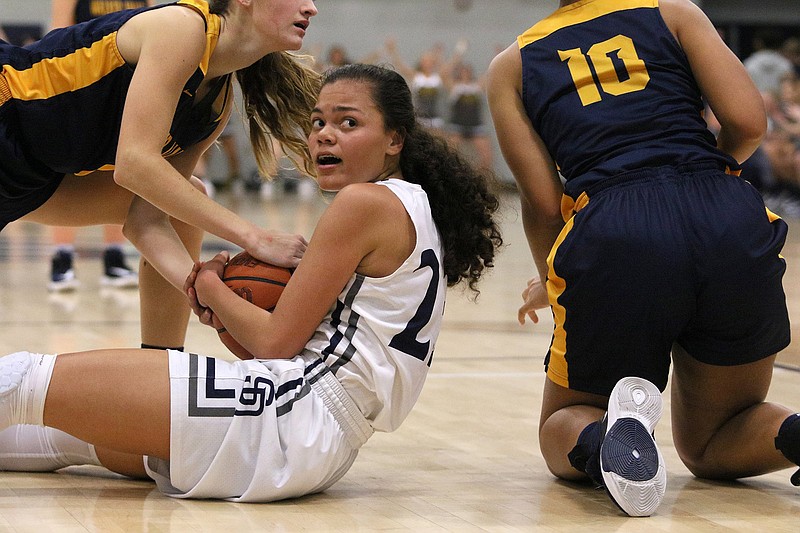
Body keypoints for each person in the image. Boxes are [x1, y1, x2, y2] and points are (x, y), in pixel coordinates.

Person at [0, 63, 503, 502]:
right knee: (60, 434)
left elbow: (272, 342)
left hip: (289, 412)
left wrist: (214, 284)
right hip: (315, 436)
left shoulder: (365, 204)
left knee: (21, 380)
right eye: (318, 122)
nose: (325, 134)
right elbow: (286, 341)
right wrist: (220, 296)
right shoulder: (413, 207)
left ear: (396, 139)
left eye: (349, 123)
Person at [487, 0, 798, 518]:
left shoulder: (512, 65)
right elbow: (748, 122)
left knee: (562, 422)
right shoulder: (674, 12)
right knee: (716, 436)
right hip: (727, 218)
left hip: (614, 228)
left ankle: (611, 436)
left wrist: (550, 277)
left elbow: (543, 202)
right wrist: (698, 178)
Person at [1, 0, 318, 352]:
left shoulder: (216, 104)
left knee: (183, 198)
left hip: (30, 176)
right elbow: (134, 163)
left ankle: (161, 368)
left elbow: (146, 218)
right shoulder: (182, 28)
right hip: (6, 112)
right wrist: (253, 237)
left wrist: (210, 293)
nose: (312, 8)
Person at [45, 0, 156, 292]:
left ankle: (115, 256)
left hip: (125, 88)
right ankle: (62, 258)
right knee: (68, 172)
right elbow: (58, 35)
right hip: (81, 87)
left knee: (120, 171)